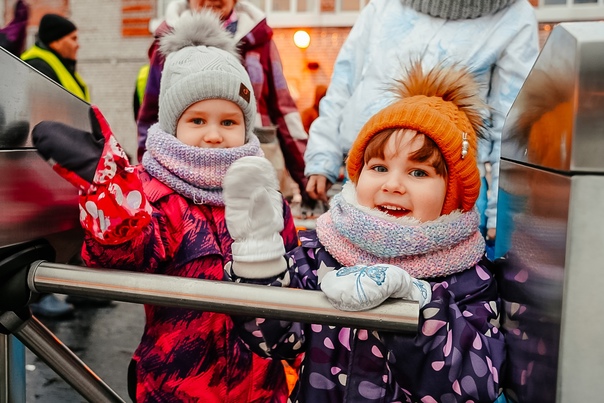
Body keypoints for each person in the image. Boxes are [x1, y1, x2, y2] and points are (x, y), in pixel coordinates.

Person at [31, 11, 298, 402]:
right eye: (198, 120)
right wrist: (111, 191)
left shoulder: (263, 193)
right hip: (178, 385)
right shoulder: (157, 194)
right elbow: (126, 253)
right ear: (174, 125)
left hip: (260, 387)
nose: (213, 135)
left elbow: (292, 275)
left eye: (228, 122)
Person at [223, 61, 506, 402]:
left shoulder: (469, 277)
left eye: (418, 173)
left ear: (453, 194)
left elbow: (474, 387)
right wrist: (259, 259)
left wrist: (417, 304)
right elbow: (275, 338)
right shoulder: (322, 252)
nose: (393, 185)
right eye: (379, 167)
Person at [304, 0, 539, 257]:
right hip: (371, 168)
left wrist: (502, 219)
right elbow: (344, 82)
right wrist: (323, 155)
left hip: (446, 182)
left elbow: (513, 122)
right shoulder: (384, 6)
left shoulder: (513, 16)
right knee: (348, 261)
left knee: (443, 278)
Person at [136, 0, 312, 207]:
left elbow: (284, 110)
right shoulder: (168, 41)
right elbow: (150, 118)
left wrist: (306, 177)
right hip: (184, 182)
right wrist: (148, 177)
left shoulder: (258, 38)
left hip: (255, 173)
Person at [22, 12, 90, 318]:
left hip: (64, 158)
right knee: (42, 225)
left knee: (74, 221)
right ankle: (38, 293)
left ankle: (82, 285)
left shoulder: (63, 68)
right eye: (72, 38)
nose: (78, 45)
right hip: (43, 159)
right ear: (55, 40)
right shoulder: (37, 64)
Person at [21, 13, 89, 102]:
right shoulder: (37, 67)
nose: (77, 45)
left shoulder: (60, 64)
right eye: (73, 39)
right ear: (56, 42)